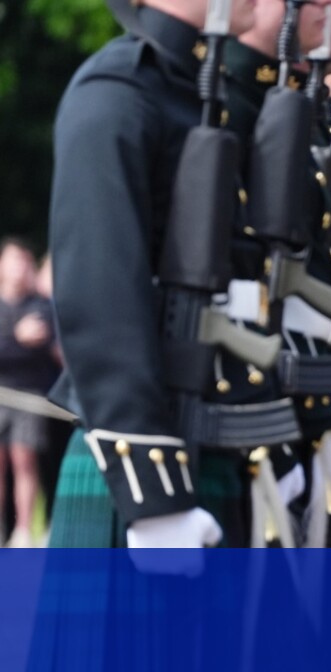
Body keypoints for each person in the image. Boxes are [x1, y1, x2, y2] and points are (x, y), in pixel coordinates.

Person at [45, 0, 269, 550]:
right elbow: (100, 291)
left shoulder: (205, 95)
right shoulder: (121, 88)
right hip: (143, 461)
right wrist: (154, 495)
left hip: (219, 440)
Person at [0, 238, 58, 547]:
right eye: (13, 260)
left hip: (31, 397)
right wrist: (16, 336)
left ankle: (23, 532)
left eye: (24, 260)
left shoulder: (40, 306)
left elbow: (38, 347)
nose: (19, 267)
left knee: (25, 462)